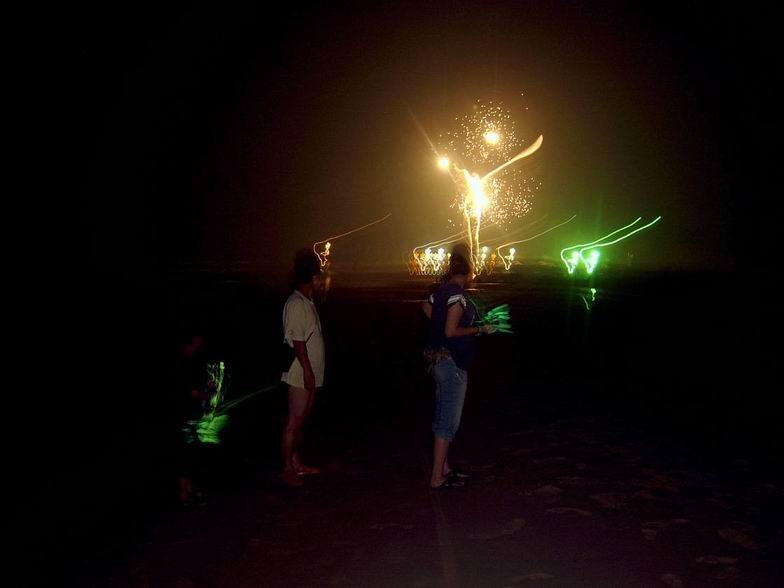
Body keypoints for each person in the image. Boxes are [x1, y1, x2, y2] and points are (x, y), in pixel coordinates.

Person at [422, 246, 495, 488]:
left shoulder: (442, 290)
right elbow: (451, 331)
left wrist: (439, 325)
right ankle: (436, 478)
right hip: (452, 363)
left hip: (438, 361)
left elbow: (426, 306)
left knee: (442, 414)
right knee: (448, 421)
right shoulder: (457, 295)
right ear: (469, 267)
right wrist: (480, 329)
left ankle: (444, 469)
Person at [280, 250, 325, 487]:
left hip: (310, 372)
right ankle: (287, 468)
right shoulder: (297, 303)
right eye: (319, 277)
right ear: (313, 278)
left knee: (301, 421)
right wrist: (307, 371)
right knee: (294, 422)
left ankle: (295, 462)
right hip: (300, 372)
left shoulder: (306, 301)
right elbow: (297, 342)